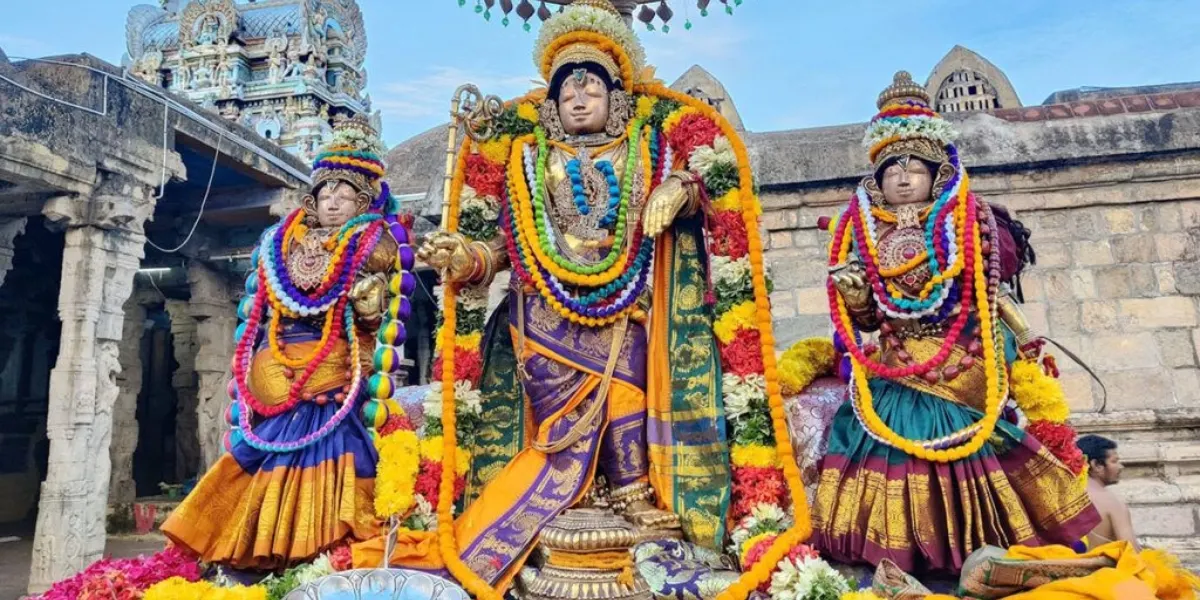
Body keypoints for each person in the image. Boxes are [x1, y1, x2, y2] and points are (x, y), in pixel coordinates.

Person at [354, 1, 806, 596]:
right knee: (556, 421)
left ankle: (630, 492)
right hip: (540, 310)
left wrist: (684, 189)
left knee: (628, 386)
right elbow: (501, 245)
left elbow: (701, 198)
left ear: (618, 99)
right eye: (568, 86)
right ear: (551, 102)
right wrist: (464, 259)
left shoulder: (647, 146)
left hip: (625, 307)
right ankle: (562, 498)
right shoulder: (524, 159)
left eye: (593, 84)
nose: (580, 95)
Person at [811, 71, 1099, 575]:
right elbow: (873, 319)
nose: (902, 177)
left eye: (914, 167)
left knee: (974, 450)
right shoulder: (860, 232)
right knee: (882, 450)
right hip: (897, 367)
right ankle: (900, 567)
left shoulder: (970, 220)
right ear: (875, 179)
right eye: (890, 169)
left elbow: (990, 289)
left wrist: (1023, 334)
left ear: (936, 173)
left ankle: (984, 563)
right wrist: (856, 297)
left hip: (961, 363)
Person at [162, 117, 411, 569]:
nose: (334, 202)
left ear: (364, 201)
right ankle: (244, 544)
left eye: (345, 194)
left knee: (328, 427)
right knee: (267, 429)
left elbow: (376, 315)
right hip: (276, 357)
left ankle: (321, 549)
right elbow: (261, 312)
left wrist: (364, 302)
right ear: (311, 200)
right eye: (326, 193)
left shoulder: (376, 243)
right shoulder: (279, 242)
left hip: (336, 356)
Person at [1078, 434, 1139, 550]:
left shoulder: (1062, 496)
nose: (1121, 466)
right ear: (1096, 465)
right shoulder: (1112, 503)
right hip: (1104, 567)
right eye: (1114, 461)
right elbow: (1131, 551)